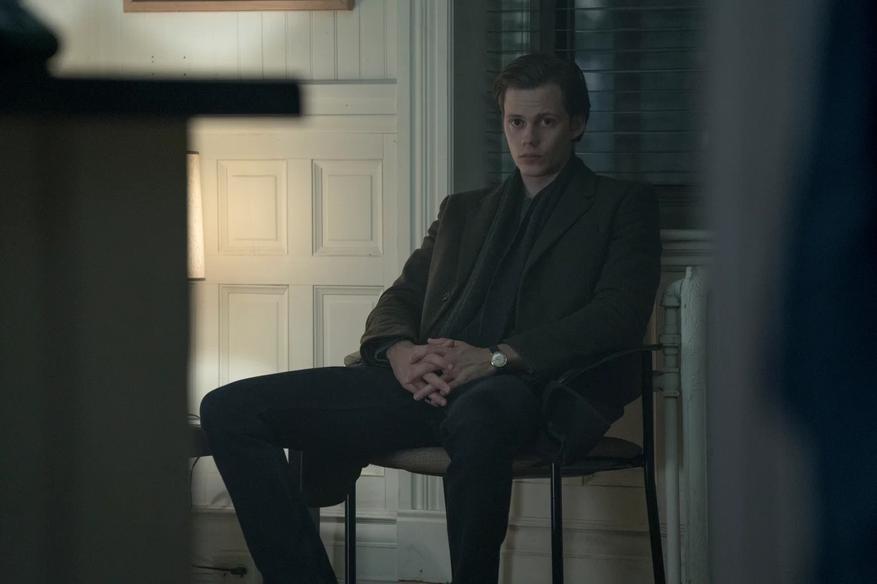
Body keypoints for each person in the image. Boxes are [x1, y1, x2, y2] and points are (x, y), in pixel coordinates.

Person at [200, 52, 661, 584]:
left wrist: (496, 358)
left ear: (576, 124)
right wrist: (399, 353)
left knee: (480, 415)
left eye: (546, 122)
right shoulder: (462, 210)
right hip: (424, 382)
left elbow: (617, 316)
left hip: (526, 387)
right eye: (516, 122)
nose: (528, 138)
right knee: (229, 409)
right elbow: (399, 298)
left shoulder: (621, 204)